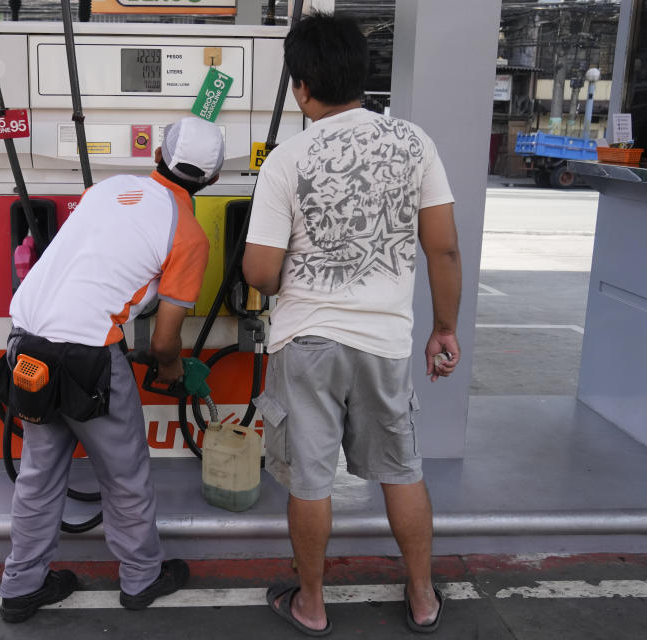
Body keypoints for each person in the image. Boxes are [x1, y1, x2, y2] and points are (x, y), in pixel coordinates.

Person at [242, 12, 461, 636]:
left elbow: (259, 270)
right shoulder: (416, 143)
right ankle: (422, 597)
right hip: (385, 340)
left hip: (306, 341)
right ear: (364, 77)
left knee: (311, 481)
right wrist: (443, 328)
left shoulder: (288, 157)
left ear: (301, 88)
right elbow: (442, 248)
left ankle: (312, 604)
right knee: (402, 469)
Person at [0, 116, 224, 623]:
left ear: (158, 159)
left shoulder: (109, 188)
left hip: (26, 343)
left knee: (38, 473)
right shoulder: (188, 235)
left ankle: (20, 586)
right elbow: (166, 339)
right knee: (125, 476)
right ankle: (141, 578)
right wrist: (170, 367)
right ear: (210, 181)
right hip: (88, 358)